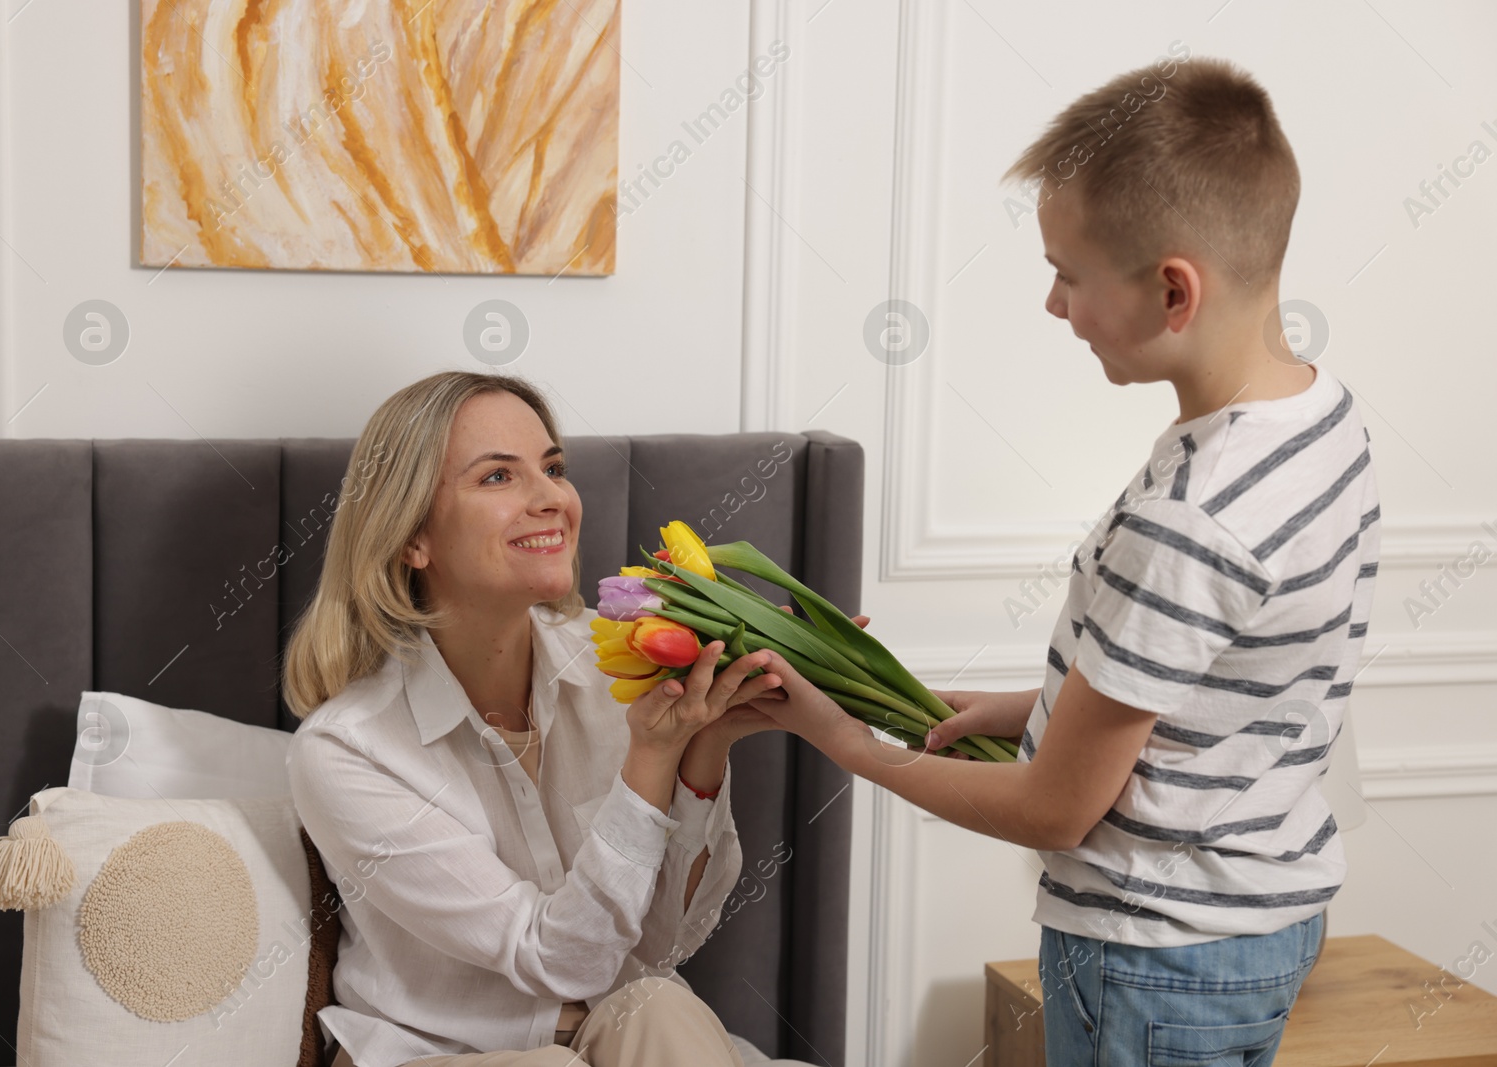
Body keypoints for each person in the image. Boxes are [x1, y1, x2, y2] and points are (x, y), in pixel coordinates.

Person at [748, 54, 1380, 1066]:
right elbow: (1213, 679)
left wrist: (848, 741)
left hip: (1154, 958)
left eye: (1067, 274)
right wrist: (1012, 706)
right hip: (1261, 921)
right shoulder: (1318, 420)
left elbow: (1056, 804)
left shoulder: (1192, 515)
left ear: (1174, 290)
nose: (1053, 304)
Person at [281, 371, 801, 1067]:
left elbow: (657, 947)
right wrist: (650, 758)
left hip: (615, 1032)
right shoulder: (349, 749)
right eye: (498, 476)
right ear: (411, 537)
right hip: (434, 1052)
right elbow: (557, 957)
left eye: (553, 468)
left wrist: (702, 750)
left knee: (662, 999)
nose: (551, 497)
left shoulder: (616, 665)